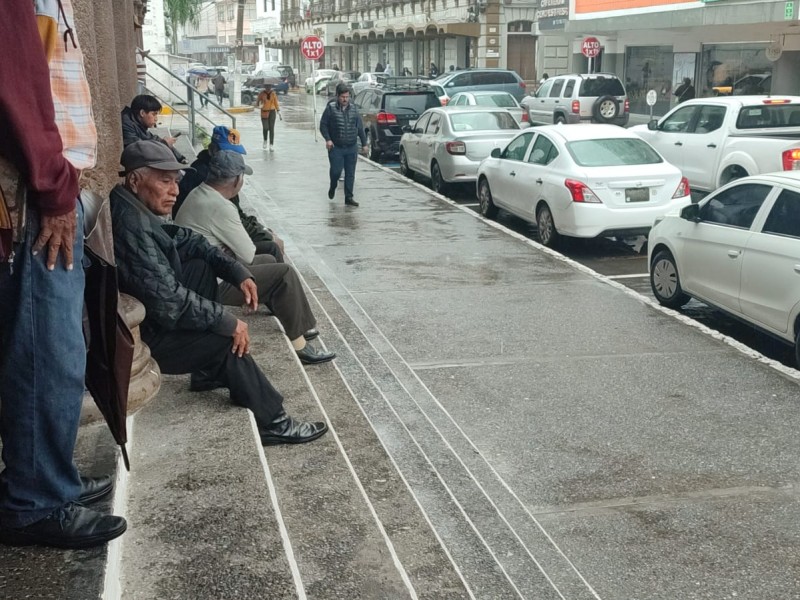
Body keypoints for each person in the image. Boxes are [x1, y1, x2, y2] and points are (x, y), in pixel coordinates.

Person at [0, 0, 126, 549]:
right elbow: (17, 84)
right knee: (47, 350)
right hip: (37, 195)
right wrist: (55, 189)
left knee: (47, 345)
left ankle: (45, 479)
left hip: (45, 187)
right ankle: (37, 497)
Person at [110, 140, 330, 445]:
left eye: (176, 182)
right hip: (148, 336)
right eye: (165, 181)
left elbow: (186, 239)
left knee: (201, 263)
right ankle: (274, 422)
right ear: (135, 180)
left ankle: (207, 372)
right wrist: (226, 321)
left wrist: (235, 271)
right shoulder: (130, 226)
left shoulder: (132, 207)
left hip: (151, 314)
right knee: (224, 340)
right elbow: (169, 299)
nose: (174, 190)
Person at [174, 151, 334, 364]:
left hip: (197, 272)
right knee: (283, 273)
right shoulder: (220, 206)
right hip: (210, 283)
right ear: (237, 180)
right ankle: (300, 346)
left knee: (269, 253)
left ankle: (293, 318)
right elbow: (248, 254)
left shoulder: (199, 193)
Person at [175, 126, 285, 262]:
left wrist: (264, 230)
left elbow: (238, 215)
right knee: (277, 261)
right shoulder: (211, 178)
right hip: (204, 254)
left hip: (202, 245)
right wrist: (268, 236)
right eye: (227, 152)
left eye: (235, 153)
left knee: (270, 248)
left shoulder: (217, 176)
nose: (232, 158)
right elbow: (246, 252)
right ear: (213, 150)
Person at [320, 83, 368, 207]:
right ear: (337, 96)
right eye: (342, 97)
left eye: (347, 97)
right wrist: (328, 139)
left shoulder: (354, 109)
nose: (345, 99)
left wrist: (364, 144)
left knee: (350, 173)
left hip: (351, 146)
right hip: (336, 147)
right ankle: (333, 185)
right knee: (336, 172)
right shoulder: (330, 109)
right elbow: (323, 125)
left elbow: (360, 127)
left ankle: (349, 197)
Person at [121, 94, 187, 164]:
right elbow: (138, 149)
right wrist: (164, 143)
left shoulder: (137, 122)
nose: (156, 119)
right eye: (154, 114)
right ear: (142, 113)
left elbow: (153, 139)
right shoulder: (127, 123)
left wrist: (180, 158)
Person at [257, 83, 280, 151]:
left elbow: (276, 102)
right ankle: (265, 140)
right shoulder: (261, 94)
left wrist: (278, 110)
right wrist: (260, 104)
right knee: (265, 127)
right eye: (267, 86)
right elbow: (257, 102)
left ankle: (271, 145)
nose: (268, 88)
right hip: (264, 112)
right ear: (265, 86)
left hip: (272, 112)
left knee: (271, 128)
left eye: (269, 86)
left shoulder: (273, 94)